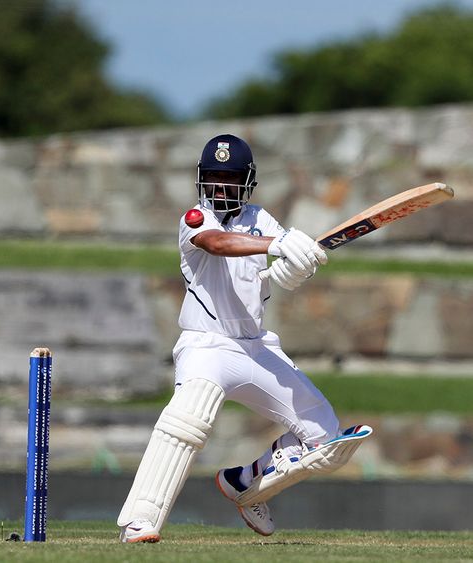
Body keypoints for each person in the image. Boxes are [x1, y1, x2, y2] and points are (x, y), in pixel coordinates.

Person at [117, 134, 372, 543]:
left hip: (255, 346)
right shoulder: (194, 220)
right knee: (188, 422)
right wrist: (278, 244)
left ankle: (245, 484)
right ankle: (140, 522)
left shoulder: (261, 218)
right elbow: (219, 244)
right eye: (213, 178)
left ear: (246, 182)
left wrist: (293, 269)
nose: (220, 187)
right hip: (206, 345)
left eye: (229, 178)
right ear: (201, 180)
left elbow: (278, 270)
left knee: (325, 439)